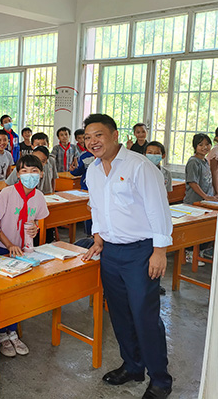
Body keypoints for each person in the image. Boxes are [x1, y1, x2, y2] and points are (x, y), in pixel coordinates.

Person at [83, 113, 173, 399]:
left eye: (98, 135)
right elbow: (95, 207)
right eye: (87, 137)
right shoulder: (93, 170)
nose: (93, 141)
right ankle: (133, 366)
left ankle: (160, 378)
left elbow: (158, 209)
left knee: (145, 316)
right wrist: (98, 238)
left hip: (140, 252)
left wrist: (159, 251)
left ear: (114, 135)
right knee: (120, 315)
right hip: (110, 252)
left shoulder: (140, 166)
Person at [0, 155, 48, 357]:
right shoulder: (7, 194)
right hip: (3, 249)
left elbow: (36, 222)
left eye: (34, 171)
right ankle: (2, 334)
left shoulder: (39, 197)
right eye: (24, 171)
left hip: (25, 252)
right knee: (3, 294)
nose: (29, 175)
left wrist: (34, 229)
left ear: (41, 174)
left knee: (18, 293)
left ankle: (13, 332)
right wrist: (9, 245)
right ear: (17, 174)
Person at [184, 133, 218, 204]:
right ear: (195, 147)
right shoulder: (193, 162)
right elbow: (192, 183)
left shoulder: (205, 160)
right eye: (200, 145)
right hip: (194, 202)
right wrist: (205, 196)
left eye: (207, 144)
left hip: (205, 201)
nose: (205, 147)